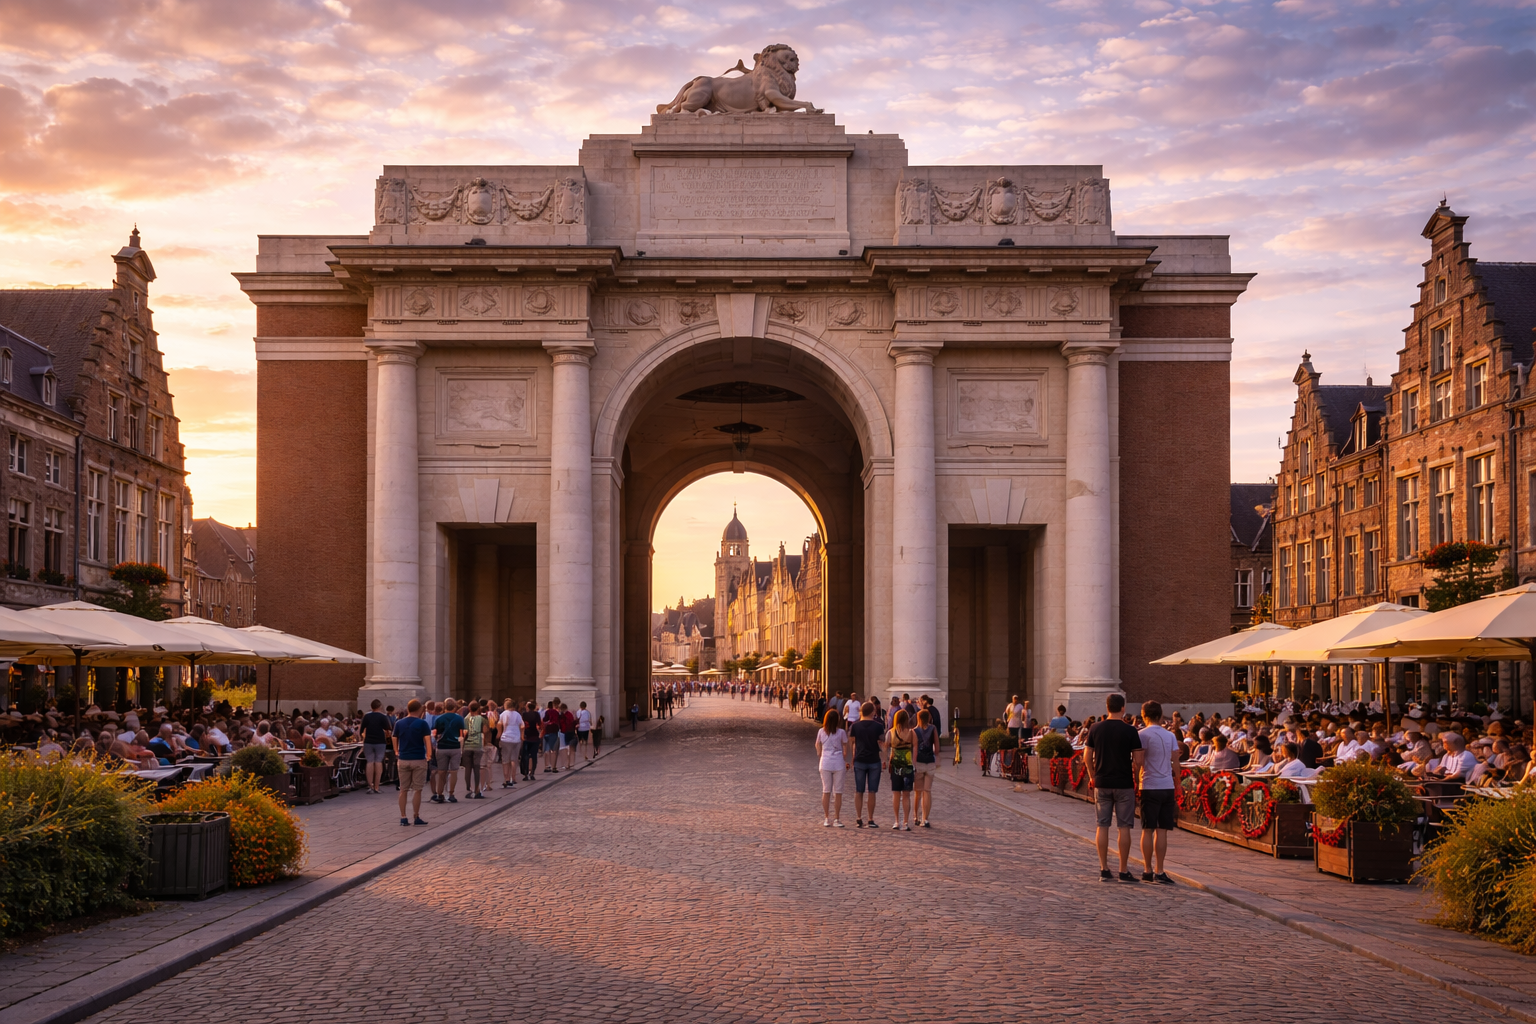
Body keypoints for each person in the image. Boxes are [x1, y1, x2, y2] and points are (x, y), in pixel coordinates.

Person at [1085, 693, 1143, 882]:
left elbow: (1087, 756)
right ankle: (1123, 870)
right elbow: (1138, 760)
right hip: (1123, 783)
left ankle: (1103, 868)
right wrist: (1135, 777)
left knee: (1102, 826)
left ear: (1107, 707)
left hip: (1101, 782)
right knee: (1124, 827)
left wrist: (1092, 775)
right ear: (1123, 708)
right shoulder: (1130, 731)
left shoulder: (1095, 728)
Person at [1136, 701, 1179, 885]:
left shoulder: (1142, 735)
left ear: (1144, 715)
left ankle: (1147, 869)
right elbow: (1176, 762)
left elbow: (1138, 761)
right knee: (1162, 831)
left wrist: (1136, 778)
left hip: (1149, 784)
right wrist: (1177, 783)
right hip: (1167, 785)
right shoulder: (1170, 735)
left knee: (1147, 829)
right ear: (1160, 715)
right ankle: (1160, 870)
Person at [392, 699, 433, 827]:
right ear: (420, 710)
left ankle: (403, 817)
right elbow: (427, 740)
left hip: (403, 758)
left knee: (403, 790)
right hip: (418, 758)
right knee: (417, 789)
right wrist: (429, 755)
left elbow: (394, 737)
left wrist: (396, 751)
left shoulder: (399, 723)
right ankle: (416, 816)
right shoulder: (422, 723)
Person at [816, 709, 850, 827]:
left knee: (826, 791)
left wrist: (820, 753)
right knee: (838, 792)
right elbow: (845, 746)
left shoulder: (821, 731)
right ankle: (837, 818)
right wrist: (844, 756)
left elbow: (817, 744)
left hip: (825, 762)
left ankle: (826, 817)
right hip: (838, 762)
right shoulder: (841, 732)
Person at [887, 709, 917, 830]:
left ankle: (896, 821)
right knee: (906, 795)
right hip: (908, 766)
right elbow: (915, 749)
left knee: (896, 794)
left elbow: (887, 747)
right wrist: (913, 764)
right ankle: (905, 821)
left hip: (895, 765)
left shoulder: (891, 732)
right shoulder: (912, 733)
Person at [431, 698, 465, 803]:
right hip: (455, 747)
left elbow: (434, 733)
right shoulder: (459, 719)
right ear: (455, 707)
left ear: (444, 707)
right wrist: (460, 746)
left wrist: (436, 741)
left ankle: (440, 793)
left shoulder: (439, 718)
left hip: (442, 747)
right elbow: (461, 734)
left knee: (442, 771)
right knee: (454, 771)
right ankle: (451, 794)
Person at [912, 708, 939, 828]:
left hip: (919, 762)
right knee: (927, 791)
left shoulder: (914, 731)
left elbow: (914, 749)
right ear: (928, 718)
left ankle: (915, 816)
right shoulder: (933, 729)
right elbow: (937, 749)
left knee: (918, 792)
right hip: (930, 762)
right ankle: (925, 818)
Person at [360, 698, 392, 794]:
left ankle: (370, 785)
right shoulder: (383, 717)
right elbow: (388, 730)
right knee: (378, 761)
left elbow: (361, 730)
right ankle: (377, 786)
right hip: (380, 742)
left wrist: (363, 738)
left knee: (369, 762)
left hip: (368, 741)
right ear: (380, 707)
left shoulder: (366, 716)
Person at [461, 701, 487, 799]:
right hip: (477, 745)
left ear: (469, 709)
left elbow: (464, 732)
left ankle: (469, 788)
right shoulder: (482, 718)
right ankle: (477, 789)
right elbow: (485, 730)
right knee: (476, 767)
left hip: (467, 745)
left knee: (468, 767)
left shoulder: (466, 719)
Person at [498, 699, 522, 789]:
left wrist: (499, 735)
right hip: (516, 739)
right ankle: (514, 777)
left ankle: (506, 779)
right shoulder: (518, 715)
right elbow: (522, 725)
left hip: (506, 738)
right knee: (514, 759)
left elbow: (499, 724)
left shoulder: (503, 714)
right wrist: (521, 736)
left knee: (505, 760)